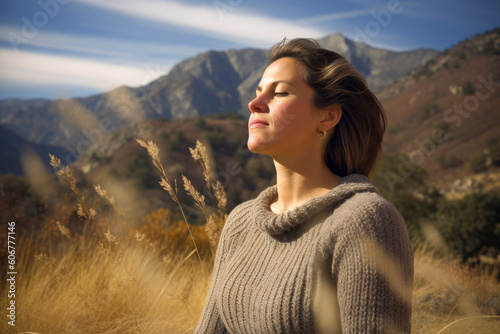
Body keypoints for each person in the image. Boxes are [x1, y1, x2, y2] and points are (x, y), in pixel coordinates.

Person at [195, 38, 413, 334]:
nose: (254, 104)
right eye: (258, 92)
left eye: (280, 93)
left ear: (327, 116)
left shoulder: (365, 221)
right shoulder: (241, 223)